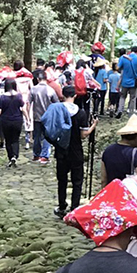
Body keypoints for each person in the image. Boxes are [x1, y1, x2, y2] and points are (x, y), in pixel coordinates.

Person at [53, 85, 96, 217]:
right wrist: (93, 125)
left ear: (62, 95)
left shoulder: (57, 111)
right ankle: (74, 207)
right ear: (75, 96)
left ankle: (61, 206)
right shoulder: (81, 112)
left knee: (62, 179)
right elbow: (84, 134)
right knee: (77, 180)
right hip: (76, 150)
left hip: (61, 149)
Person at [100, 114, 137, 185]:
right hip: (128, 194)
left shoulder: (108, 150)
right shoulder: (136, 154)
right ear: (136, 136)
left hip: (112, 192)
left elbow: (103, 179)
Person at [0, 77, 24, 167]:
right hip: (17, 120)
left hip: (6, 121)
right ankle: (15, 156)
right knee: (16, 139)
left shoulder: (3, 97)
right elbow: (23, 108)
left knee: (8, 140)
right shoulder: (19, 96)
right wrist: (27, 119)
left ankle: (10, 157)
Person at [29, 71, 59, 165]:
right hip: (48, 118)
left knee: (37, 136)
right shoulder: (50, 90)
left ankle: (36, 155)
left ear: (38, 79)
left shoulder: (33, 89)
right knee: (47, 137)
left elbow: (28, 102)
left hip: (37, 117)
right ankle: (45, 156)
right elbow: (56, 103)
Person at [117, 46, 137, 117]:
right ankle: (131, 113)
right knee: (133, 98)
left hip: (124, 82)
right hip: (134, 82)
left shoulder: (123, 58)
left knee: (122, 97)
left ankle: (120, 110)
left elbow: (117, 67)